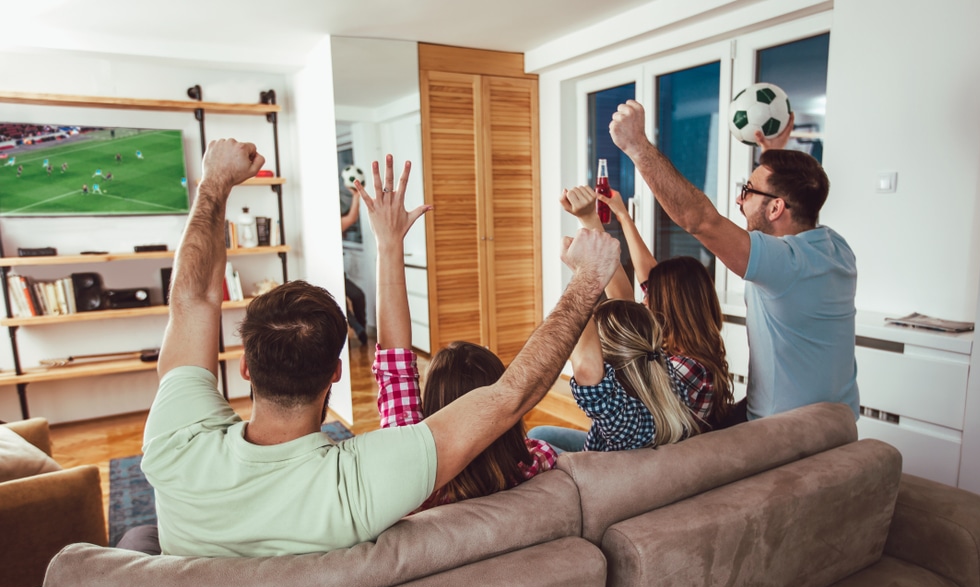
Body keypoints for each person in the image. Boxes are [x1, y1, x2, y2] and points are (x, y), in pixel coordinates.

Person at [140, 140, 621, 557]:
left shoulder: (174, 445)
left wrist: (214, 185)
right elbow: (510, 395)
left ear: (245, 367)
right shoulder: (363, 482)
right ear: (336, 372)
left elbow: (190, 297)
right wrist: (589, 279)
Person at [609, 100, 859, 421]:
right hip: (838, 418)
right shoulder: (835, 248)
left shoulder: (784, 264)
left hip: (787, 430)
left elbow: (699, 220)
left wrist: (637, 146)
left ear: (776, 208)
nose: (739, 199)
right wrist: (774, 153)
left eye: (748, 190)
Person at [366, 159, 558, 510]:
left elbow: (394, 368)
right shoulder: (538, 461)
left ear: (431, 406)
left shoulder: (412, 478)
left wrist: (387, 245)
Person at [589, 187, 735, 429]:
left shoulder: (685, 368)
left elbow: (622, 303)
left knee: (543, 433)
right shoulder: (686, 353)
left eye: (649, 296)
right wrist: (622, 216)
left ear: (670, 309)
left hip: (637, 457)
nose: (643, 300)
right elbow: (644, 277)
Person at [567, 298, 700, 451]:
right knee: (543, 432)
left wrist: (580, 293)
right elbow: (629, 320)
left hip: (596, 470)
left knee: (540, 434)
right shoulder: (661, 366)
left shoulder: (626, 421)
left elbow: (586, 367)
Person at [339, 184, 368, 344]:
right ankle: (357, 327)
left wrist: (356, 197)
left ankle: (361, 330)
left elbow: (351, 218)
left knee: (358, 295)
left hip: (341, 276)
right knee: (340, 303)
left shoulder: (334, 224)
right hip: (327, 279)